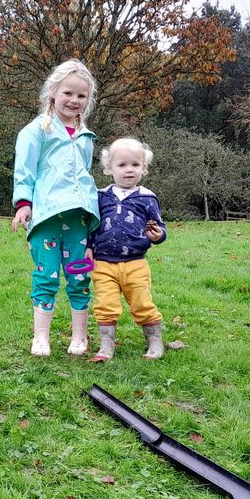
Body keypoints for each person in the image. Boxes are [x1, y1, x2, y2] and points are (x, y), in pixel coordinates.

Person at [11, 60, 101, 356]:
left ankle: (80, 336)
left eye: (81, 96)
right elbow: (24, 171)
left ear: (87, 100)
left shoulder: (86, 137)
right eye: (68, 93)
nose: (74, 101)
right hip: (46, 218)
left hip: (80, 220)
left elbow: (85, 175)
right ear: (53, 92)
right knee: (45, 275)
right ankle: (41, 337)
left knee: (79, 276)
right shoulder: (37, 130)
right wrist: (24, 204)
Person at [86, 137, 167, 361]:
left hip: (136, 262)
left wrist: (158, 235)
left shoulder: (148, 198)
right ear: (109, 168)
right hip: (103, 263)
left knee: (142, 302)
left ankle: (155, 341)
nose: (128, 170)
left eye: (135, 164)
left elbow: (159, 226)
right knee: (105, 304)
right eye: (122, 165)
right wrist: (89, 248)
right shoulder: (101, 197)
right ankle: (106, 346)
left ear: (144, 167)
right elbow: (92, 225)